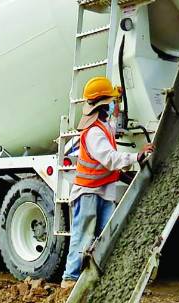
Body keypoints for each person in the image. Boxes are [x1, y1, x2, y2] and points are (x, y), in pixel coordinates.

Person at [61, 76, 154, 288]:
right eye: (110, 101)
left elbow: (113, 123)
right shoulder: (93, 132)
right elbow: (110, 158)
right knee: (83, 236)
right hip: (87, 193)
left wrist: (118, 100)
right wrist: (136, 157)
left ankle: (100, 276)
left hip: (102, 191)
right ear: (103, 105)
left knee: (106, 235)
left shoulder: (103, 125)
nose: (112, 105)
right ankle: (70, 278)